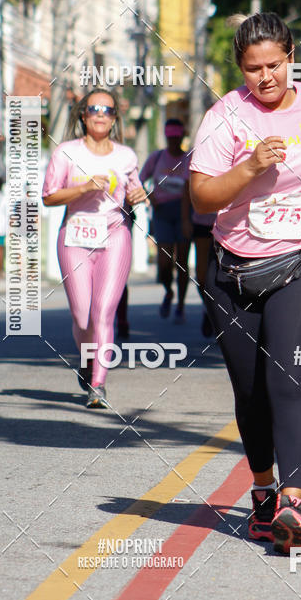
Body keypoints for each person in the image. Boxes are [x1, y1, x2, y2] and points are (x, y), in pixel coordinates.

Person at [190, 12, 301, 554]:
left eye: (274, 65)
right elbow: (202, 198)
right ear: (240, 69)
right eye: (253, 69)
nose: (265, 77)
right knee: (249, 392)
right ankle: (264, 490)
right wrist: (247, 169)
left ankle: (293, 503)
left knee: (288, 375)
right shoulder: (225, 116)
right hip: (236, 267)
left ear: (292, 57)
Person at [42, 88, 146, 409]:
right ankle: (88, 363)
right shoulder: (66, 153)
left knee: (103, 312)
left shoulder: (126, 156)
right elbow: (48, 197)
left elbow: (134, 190)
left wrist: (138, 195)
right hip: (74, 234)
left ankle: (98, 383)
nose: (101, 114)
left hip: (114, 234)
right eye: (94, 109)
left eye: (108, 110)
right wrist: (85, 186)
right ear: (83, 115)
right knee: (82, 315)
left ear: (114, 118)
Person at [139, 119, 191, 323]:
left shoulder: (188, 158)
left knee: (182, 262)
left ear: (181, 137)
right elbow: (139, 179)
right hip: (162, 212)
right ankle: (168, 290)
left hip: (184, 212)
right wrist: (150, 197)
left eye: (176, 138)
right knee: (164, 262)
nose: (173, 142)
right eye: (170, 138)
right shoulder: (157, 157)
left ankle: (180, 305)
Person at [181, 180, 216, 337]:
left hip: (232, 224)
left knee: (225, 274)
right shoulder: (196, 156)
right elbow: (187, 191)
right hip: (203, 222)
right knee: (202, 276)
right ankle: (208, 309)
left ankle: (219, 315)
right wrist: (185, 220)